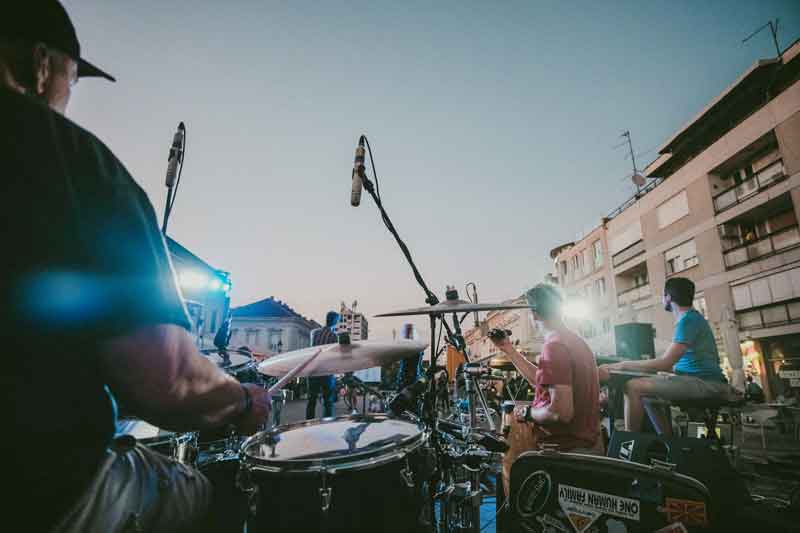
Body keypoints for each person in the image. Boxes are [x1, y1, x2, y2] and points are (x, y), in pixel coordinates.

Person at [0, 3, 271, 531]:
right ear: (40, 66)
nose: (66, 98)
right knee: (212, 492)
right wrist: (240, 401)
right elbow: (164, 382)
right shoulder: (72, 160)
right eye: (71, 80)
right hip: (34, 490)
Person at [489, 284, 602, 496]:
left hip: (565, 453)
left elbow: (560, 412)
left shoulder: (555, 347)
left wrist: (528, 413)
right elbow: (539, 380)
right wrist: (508, 349)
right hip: (585, 447)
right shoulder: (575, 341)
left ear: (534, 313)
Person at [600, 277, 741, 434]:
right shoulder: (691, 319)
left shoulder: (688, 320)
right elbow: (677, 365)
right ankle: (668, 442)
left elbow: (665, 362)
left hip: (705, 383)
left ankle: (629, 443)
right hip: (697, 380)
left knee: (632, 387)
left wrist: (622, 365)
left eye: (663, 295)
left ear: (668, 297)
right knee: (648, 395)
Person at [306, 311, 339, 419]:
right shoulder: (334, 336)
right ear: (334, 321)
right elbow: (334, 356)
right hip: (326, 371)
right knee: (328, 400)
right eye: (337, 320)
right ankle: (327, 421)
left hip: (313, 370)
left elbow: (312, 349)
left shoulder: (314, 333)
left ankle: (308, 422)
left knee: (311, 399)